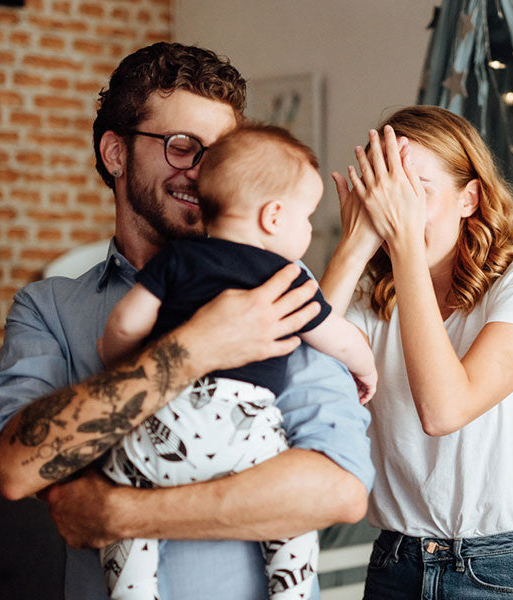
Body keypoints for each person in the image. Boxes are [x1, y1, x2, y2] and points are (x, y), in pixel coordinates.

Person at [0, 42, 373, 600]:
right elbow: (17, 468)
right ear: (116, 154)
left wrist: (123, 511)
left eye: (221, 151)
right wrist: (195, 347)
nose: (203, 172)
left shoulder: (281, 286)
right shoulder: (49, 308)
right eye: (182, 146)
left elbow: (337, 491)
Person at [96, 123, 377, 600]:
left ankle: (135, 592)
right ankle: (291, 593)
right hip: (246, 439)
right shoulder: (286, 278)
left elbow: (124, 324)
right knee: (292, 519)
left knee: (119, 487)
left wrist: (120, 361)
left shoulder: (177, 259)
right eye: (306, 217)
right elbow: (339, 339)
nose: (309, 229)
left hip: (166, 427)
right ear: (273, 217)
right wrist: (366, 368)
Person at [320, 106, 513, 599]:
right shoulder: (370, 300)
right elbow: (297, 378)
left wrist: (404, 248)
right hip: (395, 562)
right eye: (387, 194)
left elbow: (444, 410)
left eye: (416, 191)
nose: (398, 212)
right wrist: (354, 245)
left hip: (507, 570)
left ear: (470, 198)